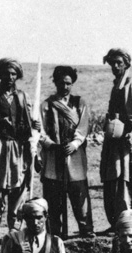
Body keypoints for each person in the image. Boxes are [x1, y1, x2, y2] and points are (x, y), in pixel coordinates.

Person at [0, 58, 40, 235]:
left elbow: (30, 123)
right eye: (7, 74)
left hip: (18, 148)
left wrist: (35, 127)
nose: (10, 77)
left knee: (18, 187)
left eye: (13, 74)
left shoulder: (22, 97)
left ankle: (15, 228)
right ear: (1, 75)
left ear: (17, 76)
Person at [39, 65, 95, 239]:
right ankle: (55, 232)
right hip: (53, 157)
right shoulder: (47, 105)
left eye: (68, 83)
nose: (65, 87)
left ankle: (86, 230)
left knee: (79, 194)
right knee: (53, 197)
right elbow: (40, 130)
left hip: (75, 157)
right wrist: (51, 144)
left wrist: (75, 143)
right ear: (55, 82)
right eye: (61, 83)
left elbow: (83, 127)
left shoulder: (80, 103)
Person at [99, 48, 132, 231]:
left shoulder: (129, 84)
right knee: (111, 180)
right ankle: (115, 222)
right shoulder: (116, 84)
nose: (115, 67)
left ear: (126, 64)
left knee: (122, 179)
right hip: (112, 141)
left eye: (119, 63)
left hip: (123, 142)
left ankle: (126, 223)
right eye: (112, 63)